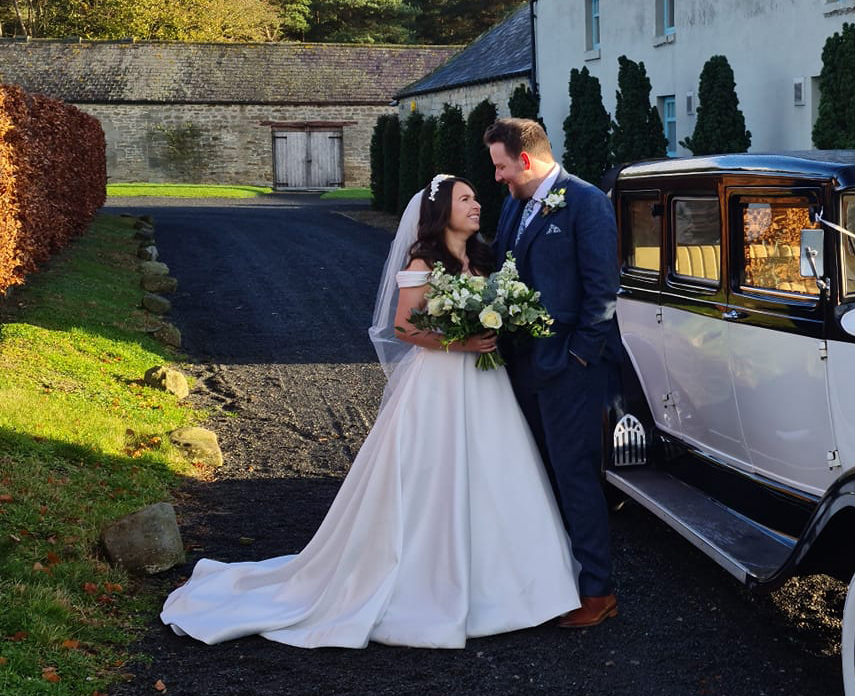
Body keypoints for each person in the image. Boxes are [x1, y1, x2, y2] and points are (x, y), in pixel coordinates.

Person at [159, 175, 581, 649]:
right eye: (467, 198)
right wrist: (462, 341)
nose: (477, 204)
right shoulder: (424, 260)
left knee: (497, 469)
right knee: (433, 475)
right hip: (439, 383)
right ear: (443, 211)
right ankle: (429, 580)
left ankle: (518, 584)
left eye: (476, 196)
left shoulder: (483, 258)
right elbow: (403, 328)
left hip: (486, 383)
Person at [484, 118, 621, 629]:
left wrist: (579, 358)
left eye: (500, 166)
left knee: (575, 475)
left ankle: (596, 590)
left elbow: (603, 289)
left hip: (568, 369)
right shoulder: (514, 202)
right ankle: (550, 580)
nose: (496, 177)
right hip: (521, 366)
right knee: (535, 474)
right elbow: (505, 268)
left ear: (524, 160)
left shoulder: (586, 202)